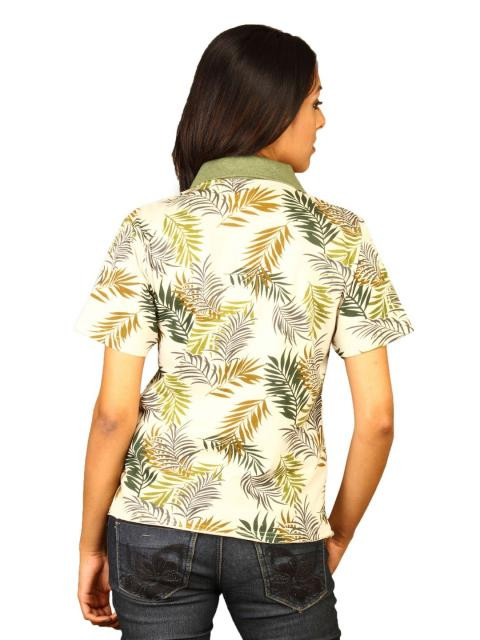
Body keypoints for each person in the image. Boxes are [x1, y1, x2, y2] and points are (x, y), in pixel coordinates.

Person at [75, 24, 414, 640]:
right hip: (284, 528)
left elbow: (112, 415)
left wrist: (91, 545)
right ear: (272, 107)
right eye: (314, 102)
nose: (322, 120)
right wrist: (337, 535)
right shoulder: (342, 235)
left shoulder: (149, 227)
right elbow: (379, 420)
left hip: (154, 521)